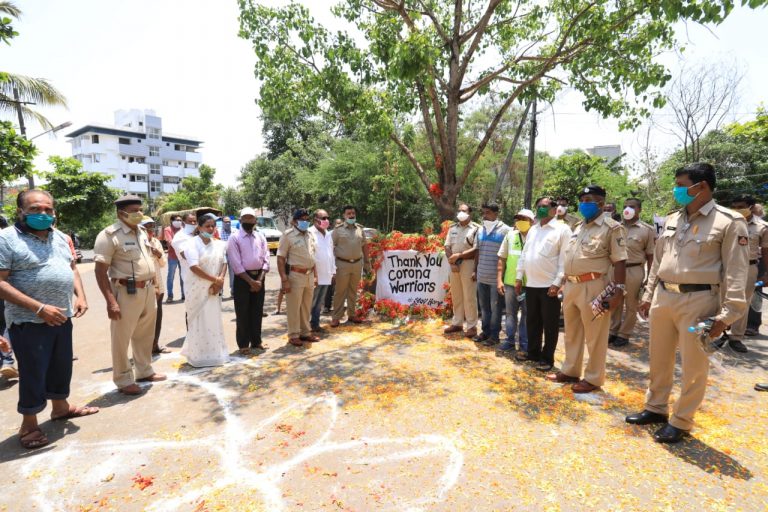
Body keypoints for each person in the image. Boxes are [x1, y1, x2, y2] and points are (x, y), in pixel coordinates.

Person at [625, 163, 749, 443]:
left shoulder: (728, 222)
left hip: (700, 300)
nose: (677, 190)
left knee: (694, 365)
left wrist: (727, 315)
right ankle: (655, 407)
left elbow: (736, 271)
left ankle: (682, 420)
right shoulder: (672, 219)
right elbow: (658, 260)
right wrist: (648, 295)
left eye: (682, 185)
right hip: (664, 298)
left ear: (701, 186)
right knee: (659, 358)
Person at [0, 189, 97, 449]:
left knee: (61, 366)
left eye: (47, 210)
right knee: (33, 372)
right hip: (28, 321)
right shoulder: (6, 239)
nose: (43, 214)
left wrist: (81, 296)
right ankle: (29, 424)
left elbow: (72, 268)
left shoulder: (61, 237)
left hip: (62, 316)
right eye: (35, 210)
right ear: (20, 211)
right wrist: (39, 308)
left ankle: (60, 408)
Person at [546, 185, 627, 393]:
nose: (584, 203)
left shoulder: (612, 228)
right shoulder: (579, 227)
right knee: (572, 333)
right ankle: (570, 370)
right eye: (581, 199)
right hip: (572, 285)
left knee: (595, 336)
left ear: (600, 202)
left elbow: (619, 262)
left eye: (588, 199)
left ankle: (593, 378)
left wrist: (619, 291)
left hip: (594, 286)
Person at [94, 195, 165, 395]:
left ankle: (144, 370)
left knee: (145, 333)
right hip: (126, 291)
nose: (139, 214)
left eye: (139, 209)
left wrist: (156, 286)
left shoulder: (142, 232)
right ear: (121, 213)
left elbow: (149, 260)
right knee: (121, 337)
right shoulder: (109, 235)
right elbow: (100, 272)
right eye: (134, 210)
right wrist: (110, 302)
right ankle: (123, 379)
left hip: (148, 289)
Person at [515, 197, 572, 371]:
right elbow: (524, 255)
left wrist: (557, 283)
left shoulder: (563, 229)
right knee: (532, 321)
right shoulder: (533, 230)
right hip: (531, 284)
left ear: (554, 209)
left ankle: (547, 358)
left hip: (549, 286)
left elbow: (565, 260)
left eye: (544, 207)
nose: (540, 209)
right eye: (538, 206)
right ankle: (533, 352)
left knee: (550, 324)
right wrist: (519, 277)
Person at [180, 213, 230, 367]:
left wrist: (219, 281)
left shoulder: (220, 244)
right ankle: (198, 356)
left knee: (213, 319)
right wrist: (214, 280)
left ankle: (216, 354)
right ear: (199, 227)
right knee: (199, 320)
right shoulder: (191, 244)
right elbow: (194, 267)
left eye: (213, 225)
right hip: (197, 289)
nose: (211, 228)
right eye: (207, 226)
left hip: (214, 289)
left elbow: (224, 263)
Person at [721, 194, 768, 353]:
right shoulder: (726, 223)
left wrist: (766, 273)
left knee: (743, 303)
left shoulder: (761, 227)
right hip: (726, 267)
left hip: (748, 268)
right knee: (722, 299)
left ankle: (736, 337)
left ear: (751, 207)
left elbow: (767, 252)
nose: (736, 209)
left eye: (740, 206)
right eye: (734, 206)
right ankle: (721, 332)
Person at [609, 198, 656, 348]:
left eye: (632, 206)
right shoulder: (615, 227)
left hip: (634, 270)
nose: (627, 209)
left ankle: (624, 334)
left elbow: (651, 256)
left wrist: (649, 278)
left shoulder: (647, 230)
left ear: (639, 210)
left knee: (631, 304)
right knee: (614, 299)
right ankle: (612, 330)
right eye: (625, 206)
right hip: (615, 269)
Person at [227, 207, 270, 355]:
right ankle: (243, 344)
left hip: (259, 277)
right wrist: (251, 282)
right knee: (243, 312)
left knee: (257, 311)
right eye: (245, 218)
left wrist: (259, 280)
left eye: (251, 218)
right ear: (240, 220)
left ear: (255, 220)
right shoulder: (234, 238)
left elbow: (266, 259)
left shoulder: (260, 236)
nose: (248, 221)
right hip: (242, 279)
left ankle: (256, 341)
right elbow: (236, 264)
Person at [278, 209, 318, 346]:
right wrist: (284, 279)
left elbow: (313, 257)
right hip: (295, 275)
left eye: (307, 219)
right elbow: (280, 258)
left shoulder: (310, 235)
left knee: (306, 306)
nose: (305, 221)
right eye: (302, 219)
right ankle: (293, 334)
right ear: (294, 221)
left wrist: (316, 276)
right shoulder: (288, 236)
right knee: (294, 306)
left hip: (309, 274)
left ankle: (305, 332)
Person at [496, 208, 534, 352]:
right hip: (510, 283)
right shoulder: (510, 235)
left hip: (530, 284)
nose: (520, 222)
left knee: (527, 315)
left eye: (524, 219)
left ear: (532, 221)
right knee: (510, 314)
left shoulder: (536, 236)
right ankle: (510, 341)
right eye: (518, 218)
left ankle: (524, 344)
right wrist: (499, 280)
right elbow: (502, 259)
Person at [473, 203, 509, 345]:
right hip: (481, 276)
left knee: (496, 308)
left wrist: (502, 277)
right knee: (484, 308)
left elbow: (506, 255)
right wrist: (475, 270)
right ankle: (485, 332)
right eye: (483, 212)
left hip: (496, 279)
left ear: (496, 214)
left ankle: (494, 336)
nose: (484, 215)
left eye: (487, 212)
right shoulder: (480, 230)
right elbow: (478, 252)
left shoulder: (505, 230)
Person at [444, 203, 480, 338]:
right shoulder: (452, 228)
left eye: (463, 210)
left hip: (468, 264)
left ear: (470, 213)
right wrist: (451, 261)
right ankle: (457, 323)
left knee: (469, 296)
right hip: (454, 266)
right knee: (456, 295)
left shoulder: (476, 229)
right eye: (459, 210)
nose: (460, 213)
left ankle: (471, 326)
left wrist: (459, 256)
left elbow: (476, 250)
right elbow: (447, 246)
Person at [330, 206, 370, 327]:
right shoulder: (338, 230)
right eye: (349, 213)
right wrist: (331, 266)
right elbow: (330, 247)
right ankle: (336, 317)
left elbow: (364, 246)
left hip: (357, 263)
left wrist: (367, 262)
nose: (351, 215)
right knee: (340, 291)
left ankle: (352, 314)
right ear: (344, 215)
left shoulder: (360, 229)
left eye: (353, 213)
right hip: (342, 264)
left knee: (354, 291)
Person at [141, 217, 170, 355]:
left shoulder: (156, 242)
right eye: (147, 227)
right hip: (143, 287)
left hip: (159, 286)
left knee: (157, 317)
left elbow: (163, 263)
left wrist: (158, 253)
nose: (151, 230)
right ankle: (143, 348)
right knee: (143, 319)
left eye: (152, 227)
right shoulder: (138, 243)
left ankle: (155, 345)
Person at [309, 209, 336, 333]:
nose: (326, 220)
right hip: (315, 274)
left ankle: (315, 323)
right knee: (311, 301)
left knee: (319, 301)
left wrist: (333, 271)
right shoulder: (310, 233)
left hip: (327, 273)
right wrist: (313, 274)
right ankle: (306, 326)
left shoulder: (327, 234)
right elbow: (310, 255)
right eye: (323, 218)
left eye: (327, 218)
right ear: (315, 219)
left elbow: (331, 253)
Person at [171, 212, 198, 301]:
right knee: (193, 308)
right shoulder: (179, 237)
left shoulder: (197, 234)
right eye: (190, 221)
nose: (193, 223)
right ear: (183, 223)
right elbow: (186, 255)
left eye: (195, 221)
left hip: (204, 276)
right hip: (190, 276)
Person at [164, 214, 184, 302]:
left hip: (183, 256)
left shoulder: (183, 229)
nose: (179, 221)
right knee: (170, 276)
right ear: (172, 221)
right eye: (177, 220)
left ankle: (184, 294)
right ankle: (170, 295)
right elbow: (169, 242)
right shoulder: (168, 230)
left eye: (180, 220)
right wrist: (180, 245)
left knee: (183, 276)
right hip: (173, 256)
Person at [220, 216, 236, 295]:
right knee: (220, 273)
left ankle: (233, 291)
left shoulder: (235, 231)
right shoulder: (218, 232)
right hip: (222, 255)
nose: (228, 223)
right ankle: (220, 292)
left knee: (233, 274)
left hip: (232, 255)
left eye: (229, 221)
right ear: (222, 222)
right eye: (226, 221)